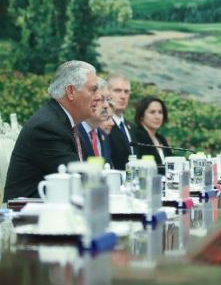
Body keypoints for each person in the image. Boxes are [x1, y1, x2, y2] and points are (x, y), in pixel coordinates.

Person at [3, 61, 101, 201]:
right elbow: (78, 178)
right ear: (71, 92)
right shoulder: (47, 127)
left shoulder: (66, 123)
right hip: (27, 217)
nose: (98, 96)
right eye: (93, 90)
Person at [78, 79, 113, 166]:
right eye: (100, 99)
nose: (106, 105)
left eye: (108, 100)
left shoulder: (104, 135)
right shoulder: (73, 132)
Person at [131, 96, 172, 166]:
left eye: (160, 112)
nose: (157, 116)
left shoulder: (161, 139)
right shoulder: (136, 137)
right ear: (141, 116)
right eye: (152, 112)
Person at [107, 74, 134, 170]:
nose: (123, 96)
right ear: (107, 92)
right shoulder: (103, 125)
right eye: (117, 91)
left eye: (126, 92)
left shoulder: (132, 127)